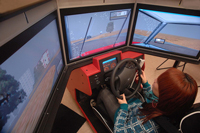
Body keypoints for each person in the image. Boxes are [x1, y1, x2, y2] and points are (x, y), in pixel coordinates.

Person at [95, 68, 198, 133]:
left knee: (104, 92)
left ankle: (96, 105)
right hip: (137, 108)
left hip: (125, 117)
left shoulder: (146, 126)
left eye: (159, 83)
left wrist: (123, 108)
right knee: (123, 89)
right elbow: (152, 98)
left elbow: (119, 131)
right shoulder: (170, 106)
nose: (155, 79)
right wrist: (146, 84)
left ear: (166, 96)